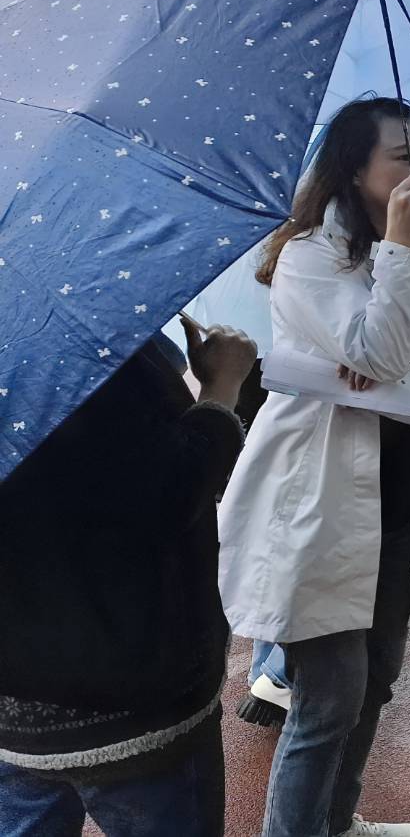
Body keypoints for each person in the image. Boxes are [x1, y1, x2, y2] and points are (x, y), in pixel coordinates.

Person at [218, 97, 410, 837]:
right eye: (402, 157)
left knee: (377, 683)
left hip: (400, 506)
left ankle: (338, 823)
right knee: (329, 700)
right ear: (352, 168)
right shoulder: (310, 255)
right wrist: (399, 250)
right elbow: (380, 350)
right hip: (322, 506)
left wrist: (404, 396)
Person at [0, 322, 256, 837]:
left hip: (13, 702)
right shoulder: (72, 340)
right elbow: (166, 490)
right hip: (132, 698)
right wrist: (222, 386)